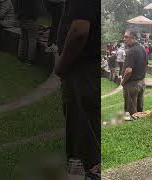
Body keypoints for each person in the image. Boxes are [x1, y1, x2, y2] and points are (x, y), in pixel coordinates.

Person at [55, 0, 100, 179]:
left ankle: (88, 173)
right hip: (86, 68)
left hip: (82, 68)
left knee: (83, 133)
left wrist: (61, 66)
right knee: (83, 128)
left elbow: (79, 31)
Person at [121, 29, 147, 116]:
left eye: (126, 37)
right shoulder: (142, 48)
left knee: (131, 111)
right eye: (124, 37)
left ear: (134, 38)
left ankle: (131, 125)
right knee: (139, 109)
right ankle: (139, 125)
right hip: (141, 83)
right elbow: (146, 64)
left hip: (132, 84)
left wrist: (123, 81)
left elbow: (128, 71)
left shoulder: (131, 51)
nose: (124, 39)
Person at [14, 0, 41, 65]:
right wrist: (35, 17)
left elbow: (16, 5)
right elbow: (35, 7)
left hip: (21, 17)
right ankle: (30, 60)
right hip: (30, 18)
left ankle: (21, 56)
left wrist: (18, 16)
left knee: (23, 38)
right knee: (32, 39)